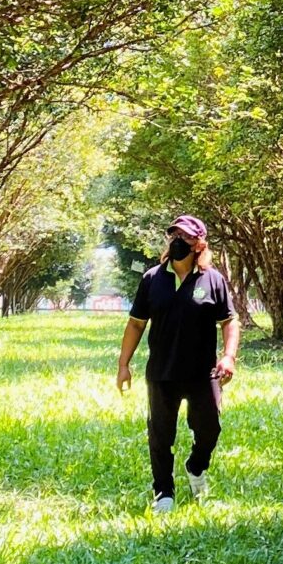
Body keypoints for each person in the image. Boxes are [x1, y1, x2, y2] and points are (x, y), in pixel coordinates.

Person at [116, 213, 239, 513]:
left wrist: (229, 356)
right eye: (174, 235)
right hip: (162, 372)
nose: (177, 241)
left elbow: (230, 321)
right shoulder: (152, 279)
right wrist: (123, 364)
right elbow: (135, 325)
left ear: (199, 244)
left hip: (203, 372)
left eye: (185, 237)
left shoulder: (213, 280)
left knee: (210, 427)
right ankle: (164, 493)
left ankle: (196, 467)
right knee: (160, 433)